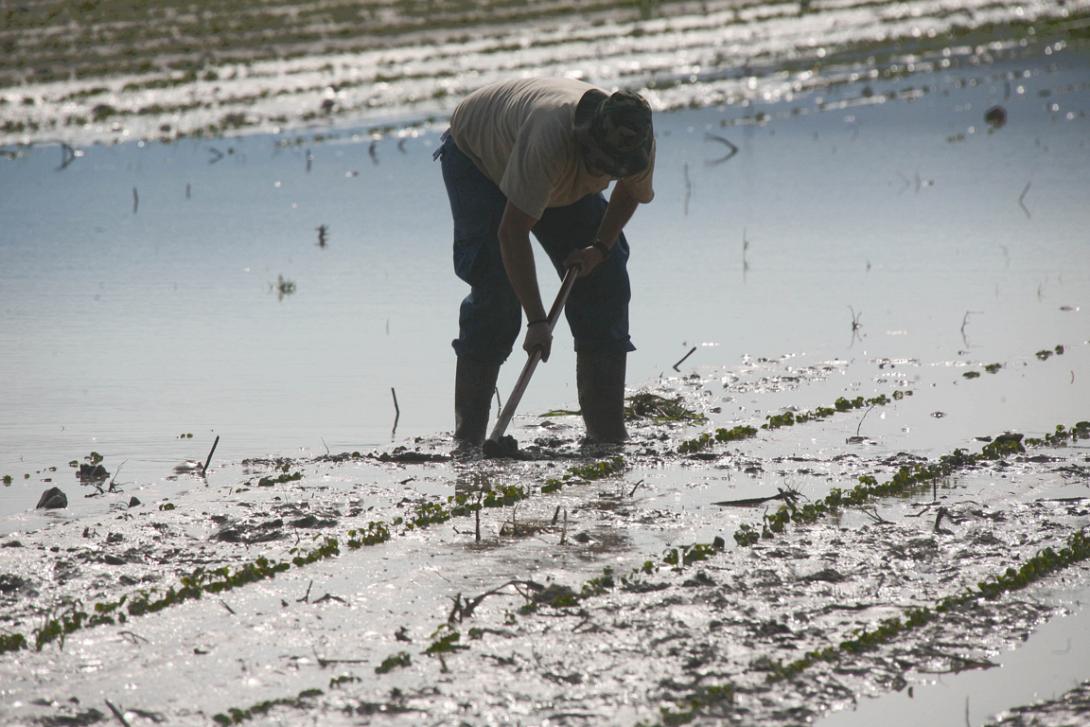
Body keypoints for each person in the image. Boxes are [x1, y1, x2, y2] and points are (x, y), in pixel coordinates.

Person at [435, 77, 655, 446]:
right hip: (481, 159)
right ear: (586, 140)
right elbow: (512, 232)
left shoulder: (638, 141)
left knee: (605, 279)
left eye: (614, 168)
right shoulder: (550, 139)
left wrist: (600, 248)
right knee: (497, 294)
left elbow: (630, 191)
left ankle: (606, 438)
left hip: (555, 177)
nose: (606, 172)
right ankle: (469, 440)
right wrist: (537, 320)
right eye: (601, 163)